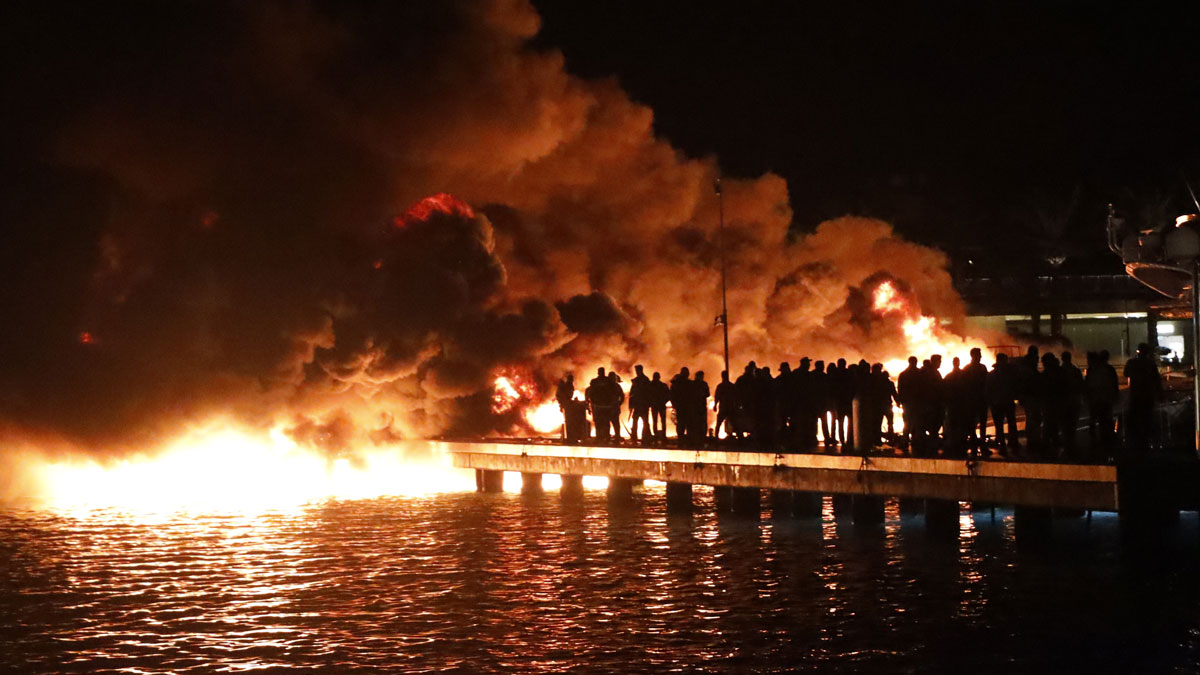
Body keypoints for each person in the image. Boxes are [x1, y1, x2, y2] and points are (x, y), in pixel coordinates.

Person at [1124, 343, 1162, 449]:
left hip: (1135, 394)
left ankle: (1134, 440)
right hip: (1148, 395)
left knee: (1134, 417)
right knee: (1147, 418)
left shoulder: (1132, 363)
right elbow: (1157, 380)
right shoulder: (1151, 364)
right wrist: (1160, 394)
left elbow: (1126, 373)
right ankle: (1146, 440)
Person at [1086, 351, 1119, 458]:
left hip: (1096, 400)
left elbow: (1087, 384)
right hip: (1105, 400)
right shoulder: (1109, 369)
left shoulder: (1092, 369)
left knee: (1095, 421)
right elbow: (1114, 384)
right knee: (1105, 421)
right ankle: (1106, 443)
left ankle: (1095, 443)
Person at [987, 353, 1018, 455]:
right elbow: (1014, 387)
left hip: (997, 404)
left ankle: (1002, 445)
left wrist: (991, 401)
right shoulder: (1010, 375)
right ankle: (1012, 442)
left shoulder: (991, 375)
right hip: (1007, 402)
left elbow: (988, 390)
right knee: (1011, 423)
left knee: (999, 425)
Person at [962, 347, 989, 450]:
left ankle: (975, 443)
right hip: (977, 400)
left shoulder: (967, 369)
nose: (981, 356)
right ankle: (981, 444)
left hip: (974, 400)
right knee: (979, 423)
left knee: (974, 423)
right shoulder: (981, 368)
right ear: (974, 356)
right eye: (979, 355)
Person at [1060, 351, 1085, 458]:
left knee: (1064, 425)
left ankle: (1067, 446)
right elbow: (1081, 385)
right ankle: (1072, 444)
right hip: (1074, 401)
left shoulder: (1059, 371)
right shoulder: (1075, 371)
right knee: (1072, 424)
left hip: (1063, 402)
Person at [896, 356, 922, 452]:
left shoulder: (903, 374)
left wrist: (899, 401)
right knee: (916, 422)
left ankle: (905, 441)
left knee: (907, 422)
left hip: (907, 402)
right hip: (917, 402)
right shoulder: (919, 373)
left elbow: (900, 388)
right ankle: (916, 442)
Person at [628, 365, 652, 444]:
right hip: (639, 405)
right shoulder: (642, 380)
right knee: (638, 422)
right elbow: (632, 394)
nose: (636, 372)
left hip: (642, 405)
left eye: (637, 370)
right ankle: (638, 438)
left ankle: (644, 438)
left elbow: (648, 393)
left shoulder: (643, 380)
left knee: (643, 422)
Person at [713, 370, 738, 440]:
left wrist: (715, 405)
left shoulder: (721, 386)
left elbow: (717, 396)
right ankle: (740, 438)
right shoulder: (731, 386)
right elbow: (717, 396)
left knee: (720, 424)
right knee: (733, 423)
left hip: (726, 407)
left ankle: (716, 437)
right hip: (728, 407)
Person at [670, 367, 693, 441]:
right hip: (684, 406)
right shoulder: (685, 383)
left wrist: (674, 403)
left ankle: (682, 438)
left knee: (682, 423)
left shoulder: (676, 382)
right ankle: (685, 438)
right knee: (685, 423)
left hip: (681, 406)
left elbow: (672, 395)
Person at [691, 371, 711, 444]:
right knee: (700, 422)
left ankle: (699, 437)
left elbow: (708, 394)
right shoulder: (703, 384)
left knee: (699, 422)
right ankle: (700, 437)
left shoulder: (694, 384)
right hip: (698, 406)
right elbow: (707, 394)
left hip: (698, 406)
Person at [650, 372, 670, 441]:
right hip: (660, 405)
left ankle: (657, 435)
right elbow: (668, 395)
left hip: (656, 405)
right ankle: (663, 435)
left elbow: (668, 395)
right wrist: (663, 401)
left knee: (655, 421)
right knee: (661, 421)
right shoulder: (663, 385)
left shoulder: (651, 385)